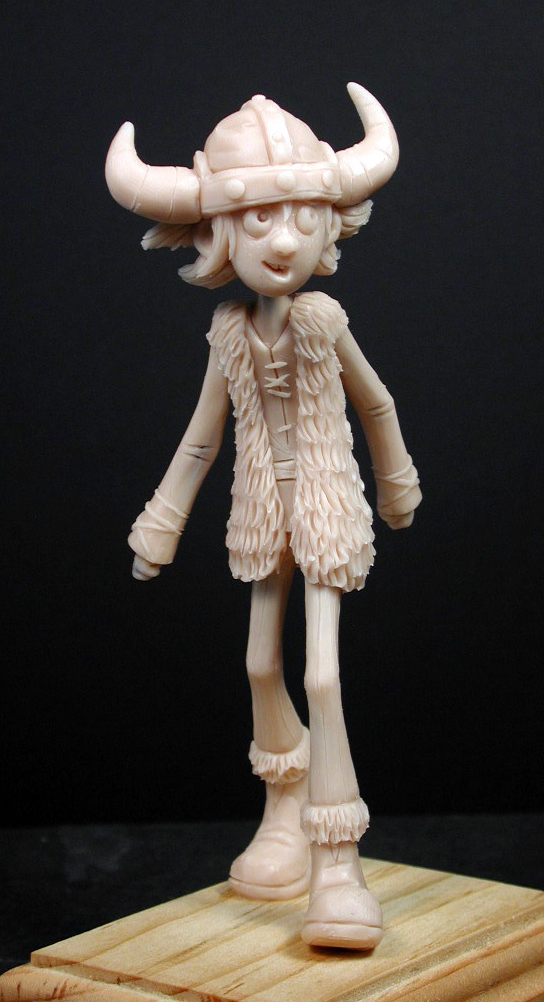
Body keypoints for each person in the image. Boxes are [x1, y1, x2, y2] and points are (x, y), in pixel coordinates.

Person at [106, 84, 422, 949]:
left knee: (321, 674)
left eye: (302, 217)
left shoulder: (321, 320)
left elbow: (378, 402)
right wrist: (163, 520)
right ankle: (285, 810)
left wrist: (395, 482)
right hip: (259, 510)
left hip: (322, 502)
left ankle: (339, 860)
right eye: (256, 220)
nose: (282, 240)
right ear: (216, 234)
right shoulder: (228, 331)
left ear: (330, 225)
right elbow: (201, 439)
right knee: (257, 662)